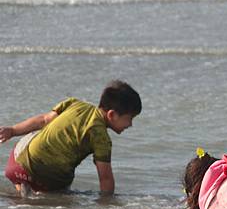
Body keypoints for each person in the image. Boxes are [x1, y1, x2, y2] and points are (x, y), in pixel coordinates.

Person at [1, 80, 141, 195]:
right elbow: (105, 178)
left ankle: (21, 187)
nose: (130, 124)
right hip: (49, 183)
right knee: (64, 185)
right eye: (129, 118)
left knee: (35, 136)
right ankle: (30, 189)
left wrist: (12, 130)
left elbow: (43, 120)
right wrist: (108, 205)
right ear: (111, 115)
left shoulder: (74, 103)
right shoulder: (102, 139)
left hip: (17, 166)